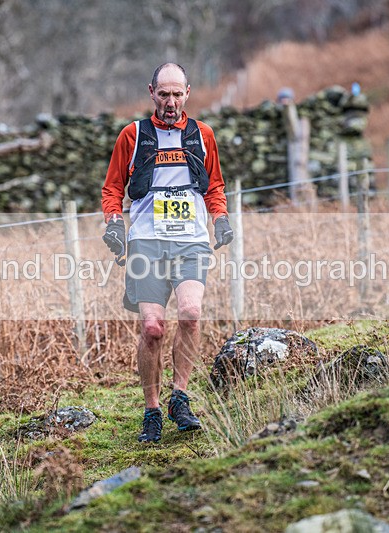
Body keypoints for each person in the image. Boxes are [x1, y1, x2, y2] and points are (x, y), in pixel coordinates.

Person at [101, 63, 233, 443]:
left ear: (188, 92)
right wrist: (114, 224)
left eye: (177, 94)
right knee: (152, 329)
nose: (171, 102)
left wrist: (220, 219)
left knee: (191, 314)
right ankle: (152, 410)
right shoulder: (133, 135)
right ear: (152, 93)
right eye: (164, 94)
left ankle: (180, 396)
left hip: (191, 241)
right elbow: (112, 190)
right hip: (146, 243)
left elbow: (215, 186)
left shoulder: (202, 135)